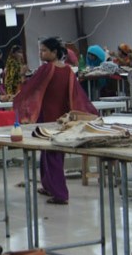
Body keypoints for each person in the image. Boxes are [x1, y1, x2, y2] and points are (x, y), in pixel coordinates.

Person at [13, 37, 97, 205]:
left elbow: (31, 88)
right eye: (41, 50)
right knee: (50, 153)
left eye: (44, 50)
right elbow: (76, 94)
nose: (41, 53)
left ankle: (60, 194)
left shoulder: (47, 69)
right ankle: (48, 186)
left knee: (51, 154)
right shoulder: (67, 70)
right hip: (61, 117)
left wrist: (19, 98)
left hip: (48, 117)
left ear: (54, 52)